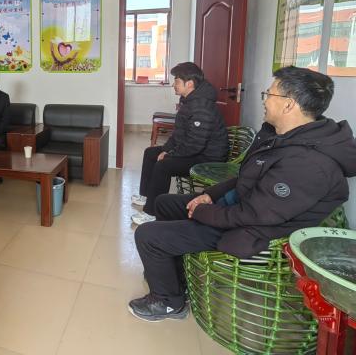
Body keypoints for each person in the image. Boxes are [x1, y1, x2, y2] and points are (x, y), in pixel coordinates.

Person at [128, 66, 356, 322]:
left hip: (249, 230)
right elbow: (247, 178)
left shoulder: (308, 164)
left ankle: (170, 302)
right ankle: (173, 274)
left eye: (269, 94)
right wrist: (210, 195)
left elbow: (255, 215)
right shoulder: (283, 137)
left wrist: (204, 211)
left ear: (289, 104)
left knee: (147, 235)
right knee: (164, 203)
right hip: (239, 208)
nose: (264, 100)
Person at [132, 62, 228, 225]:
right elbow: (179, 135)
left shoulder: (201, 107)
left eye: (176, 81)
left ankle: (152, 212)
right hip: (197, 150)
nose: (173, 85)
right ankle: (147, 195)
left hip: (208, 158)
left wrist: (170, 154)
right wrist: (166, 149)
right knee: (151, 153)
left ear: (189, 84)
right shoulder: (189, 100)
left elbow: (195, 144)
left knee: (163, 165)